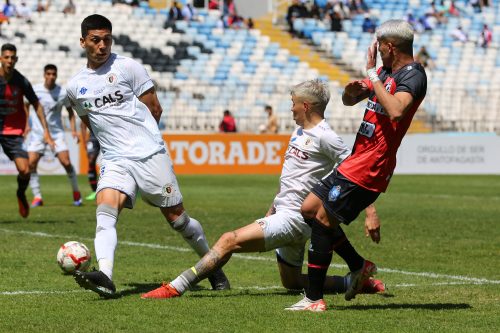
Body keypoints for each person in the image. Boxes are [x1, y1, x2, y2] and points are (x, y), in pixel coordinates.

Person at [141, 79, 385, 300]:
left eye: (294, 104)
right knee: (292, 282)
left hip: (296, 218)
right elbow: (292, 177)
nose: (291, 109)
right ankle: (356, 281)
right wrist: (273, 206)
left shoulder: (326, 136)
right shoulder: (299, 130)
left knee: (229, 240)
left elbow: (354, 171)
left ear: (307, 106)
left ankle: (176, 287)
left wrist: (370, 211)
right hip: (285, 212)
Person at [66, 14, 229, 298]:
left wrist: (141, 140)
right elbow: (90, 120)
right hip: (115, 159)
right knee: (105, 211)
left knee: (177, 219)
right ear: (83, 42)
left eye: (107, 39)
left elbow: (154, 108)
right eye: (95, 40)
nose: (102, 45)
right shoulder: (75, 86)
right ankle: (105, 276)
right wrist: (111, 146)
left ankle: (213, 267)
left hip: (148, 154)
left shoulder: (129, 67)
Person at [287, 19, 427, 311]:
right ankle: (358, 266)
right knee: (309, 209)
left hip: (372, 165)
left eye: (380, 48)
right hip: (356, 158)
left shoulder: (414, 76)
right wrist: (354, 89)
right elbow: (350, 99)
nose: (377, 53)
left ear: (390, 47)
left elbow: (397, 110)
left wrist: (372, 76)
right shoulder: (386, 72)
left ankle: (313, 299)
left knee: (324, 219)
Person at [0, 43, 54, 218]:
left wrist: (46, 130)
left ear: (16, 59)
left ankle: (20, 194)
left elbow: (36, 104)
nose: (9, 60)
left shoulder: (21, 81)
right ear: (1, 58)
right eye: (6, 57)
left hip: (13, 132)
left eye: (12, 57)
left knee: (25, 170)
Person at [26, 64, 82, 208]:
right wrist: (27, 124)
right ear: (44, 75)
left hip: (56, 134)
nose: (51, 77)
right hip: (38, 134)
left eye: (53, 74)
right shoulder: (35, 90)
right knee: (31, 163)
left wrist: (73, 130)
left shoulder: (62, 93)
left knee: (66, 163)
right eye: (48, 74)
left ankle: (76, 192)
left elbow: (70, 111)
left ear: (56, 76)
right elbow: (26, 105)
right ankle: (38, 197)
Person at [80, 122, 99, 201]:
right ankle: (94, 191)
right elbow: (82, 124)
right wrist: (84, 140)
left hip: (108, 135)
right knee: (91, 161)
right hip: (93, 138)